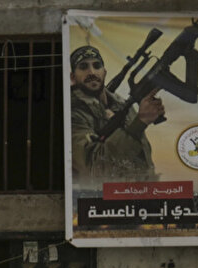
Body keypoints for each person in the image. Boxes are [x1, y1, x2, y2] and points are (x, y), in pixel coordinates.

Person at [69, 45, 165, 188]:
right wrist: (139, 122)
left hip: (144, 194)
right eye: (83, 67)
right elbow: (94, 167)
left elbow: (142, 156)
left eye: (97, 66)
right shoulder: (74, 114)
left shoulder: (120, 104)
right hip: (104, 200)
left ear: (104, 72)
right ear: (73, 77)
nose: (92, 72)